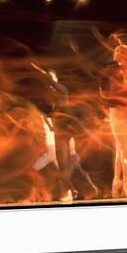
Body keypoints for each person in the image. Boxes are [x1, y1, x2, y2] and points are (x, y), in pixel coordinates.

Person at [31, 63, 98, 201]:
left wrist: (44, 74)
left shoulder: (62, 88)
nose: (49, 77)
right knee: (63, 164)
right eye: (48, 75)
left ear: (55, 77)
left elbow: (53, 86)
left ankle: (78, 189)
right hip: (59, 129)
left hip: (67, 128)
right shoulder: (50, 93)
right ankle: (71, 191)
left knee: (70, 162)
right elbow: (49, 111)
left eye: (52, 75)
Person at [99, 43, 127, 199]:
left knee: (120, 149)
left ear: (126, 54)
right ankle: (126, 184)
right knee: (125, 148)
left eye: (120, 50)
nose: (116, 52)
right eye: (116, 50)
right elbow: (103, 91)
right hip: (116, 110)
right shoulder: (111, 70)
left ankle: (117, 185)